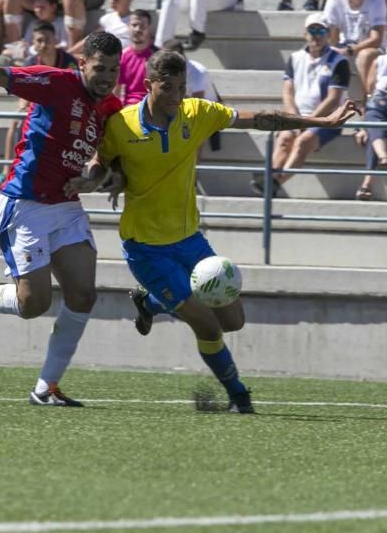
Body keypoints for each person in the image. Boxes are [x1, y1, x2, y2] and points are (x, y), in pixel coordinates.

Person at [65, 49, 359, 413]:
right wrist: (94, 180)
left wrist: (321, 120)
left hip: (190, 240)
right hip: (146, 248)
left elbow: (261, 118)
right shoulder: (122, 124)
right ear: (148, 85)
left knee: (232, 320)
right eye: (168, 88)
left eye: (182, 88)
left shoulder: (197, 113)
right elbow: (100, 160)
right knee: (207, 326)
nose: (176, 96)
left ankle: (150, 302)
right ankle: (238, 394)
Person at [0, 31, 123, 406]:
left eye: (113, 69)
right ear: (82, 64)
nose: (107, 76)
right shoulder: (58, 83)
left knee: (83, 294)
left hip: (67, 206)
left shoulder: (111, 108)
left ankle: (47, 388)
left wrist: (94, 178)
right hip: (25, 204)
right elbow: (5, 75)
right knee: (33, 305)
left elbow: (103, 162)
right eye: (99, 68)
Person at [250, 13, 351, 197]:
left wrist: (307, 122)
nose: (316, 35)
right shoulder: (295, 58)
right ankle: (271, 181)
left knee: (303, 142)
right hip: (298, 116)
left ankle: (273, 182)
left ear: (328, 34)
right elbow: (288, 92)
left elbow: (333, 99)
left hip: (328, 118)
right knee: (284, 139)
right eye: (312, 30)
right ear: (305, 34)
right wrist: (295, 119)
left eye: (321, 30)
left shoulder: (339, 61)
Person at [0, 20, 78, 191]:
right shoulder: (30, 62)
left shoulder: (68, 62)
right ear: (34, 44)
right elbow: (23, 93)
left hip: (64, 109)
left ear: (55, 40)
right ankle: (7, 172)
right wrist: (23, 106)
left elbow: (75, 92)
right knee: (16, 121)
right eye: (39, 41)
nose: (44, 45)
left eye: (47, 40)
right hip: (39, 106)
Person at [323, 0, 387, 99]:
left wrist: (350, 50)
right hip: (345, 48)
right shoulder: (334, 0)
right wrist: (336, 49)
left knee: (364, 56)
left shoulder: (377, 1)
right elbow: (331, 37)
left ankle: (368, 102)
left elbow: (376, 39)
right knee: (324, 54)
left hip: (375, 50)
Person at [71, 0, 140, 55]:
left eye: (116, 0)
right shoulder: (106, 19)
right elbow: (91, 39)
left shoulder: (136, 20)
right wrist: (70, 53)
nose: (112, 2)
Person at [353, 50, 387, 200]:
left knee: (374, 132)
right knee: (373, 127)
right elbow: (369, 92)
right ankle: (383, 157)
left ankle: (367, 184)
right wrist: (363, 126)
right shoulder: (380, 61)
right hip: (379, 105)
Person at [115, 9, 154, 105]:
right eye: (134, 25)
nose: (138, 29)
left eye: (142, 26)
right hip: (127, 108)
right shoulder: (122, 56)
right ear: (129, 27)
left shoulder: (157, 57)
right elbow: (116, 90)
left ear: (149, 28)